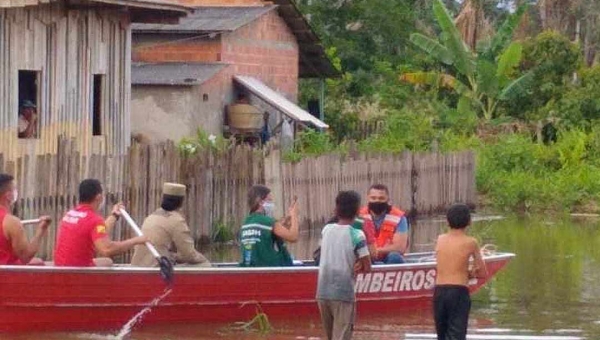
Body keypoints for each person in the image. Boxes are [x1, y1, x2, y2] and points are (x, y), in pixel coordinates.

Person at [54, 179, 147, 267]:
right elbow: (106, 249)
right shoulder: (94, 220)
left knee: (106, 262)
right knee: (108, 261)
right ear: (98, 197)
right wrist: (137, 241)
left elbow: (99, 232)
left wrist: (115, 215)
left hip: (61, 267)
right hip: (78, 272)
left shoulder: (69, 214)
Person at [316, 191, 371, 340]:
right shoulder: (357, 234)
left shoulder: (326, 230)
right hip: (344, 294)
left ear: (336, 210)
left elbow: (323, 252)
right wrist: (359, 262)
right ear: (358, 211)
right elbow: (367, 266)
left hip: (322, 293)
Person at [434, 203, 488, 340]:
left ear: (447, 221)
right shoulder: (471, 242)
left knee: (442, 335)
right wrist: (469, 272)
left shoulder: (440, 239)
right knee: (457, 335)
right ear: (469, 221)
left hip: (439, 291)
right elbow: (482, 273)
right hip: (458, 292)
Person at [131, 182, 210, 267]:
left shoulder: (151, 216)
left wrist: (175, 256)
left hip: (138, 265)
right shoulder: (176, 220)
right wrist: (203, 258)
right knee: (206, 265)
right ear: (181, 202)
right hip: (158, 268)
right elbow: (189, 255)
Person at [239, 185, 298, 267]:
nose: (272, 204)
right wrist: (294, 214)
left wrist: (286, 219)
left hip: (250, 268)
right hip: (271, 269)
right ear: (260, 202)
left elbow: (267, 233)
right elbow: (293, 237)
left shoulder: (246, 222)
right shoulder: (267, 222)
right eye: (269, 200)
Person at [0, 173, 50, 265]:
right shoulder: (11, 222)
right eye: (14, 189)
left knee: (37, 262)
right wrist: (41, 230)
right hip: (6, 274)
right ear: (8, 195)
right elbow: (25, 256)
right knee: (39, 263)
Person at [359, 184, 409, 264]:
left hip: (388, 257)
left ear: (387, 199)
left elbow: (400, 247)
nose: (377, 201)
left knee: (395, 257)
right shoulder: (359, 216)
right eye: (373, 198)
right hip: (367, 256)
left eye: (381, 198)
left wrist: (375, 250)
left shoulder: (398, 217)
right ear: (368, 198)